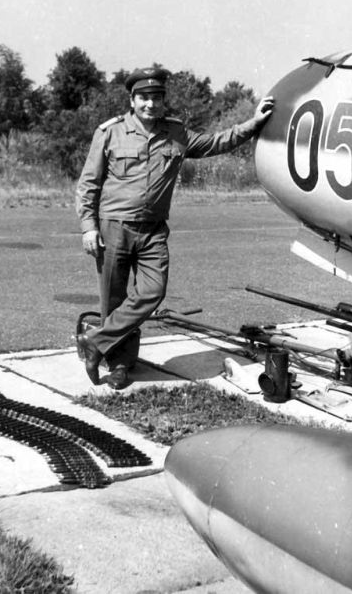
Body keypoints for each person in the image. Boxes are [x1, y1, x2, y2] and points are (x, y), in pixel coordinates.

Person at [76, 67, 274, 389]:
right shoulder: (109, 132)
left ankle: (94, 341)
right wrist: (88, 227)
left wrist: (254, 124)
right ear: (132, 100)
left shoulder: (177, 133)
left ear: (163, 100)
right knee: (113, 301)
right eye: (144, 98)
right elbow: (88, 184)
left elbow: (217, 142)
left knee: (152, 292)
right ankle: (121, 364)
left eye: (156, 98)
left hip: (153, 231)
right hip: (114, 227)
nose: (150, 104)